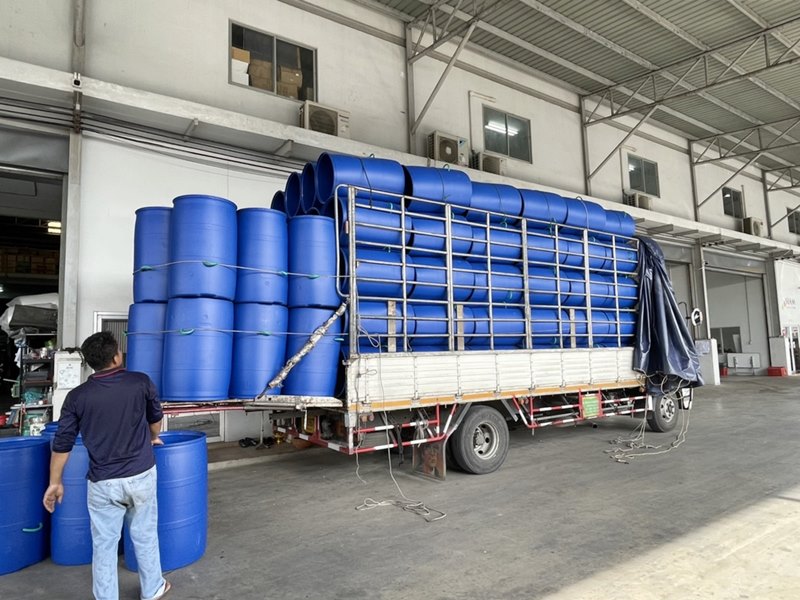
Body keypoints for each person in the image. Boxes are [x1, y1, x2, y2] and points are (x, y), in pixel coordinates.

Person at [43, 331, 171, 600]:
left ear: (91, 363)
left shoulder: (77, 397)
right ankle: (153, 589)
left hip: (103, 483)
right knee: (145, 535)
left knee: (104, 545)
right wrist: (153, 437)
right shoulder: (140, 382)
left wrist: (55, 482)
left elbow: (62, 443)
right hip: (141, 475)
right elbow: (155, 417)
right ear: (116, 357)